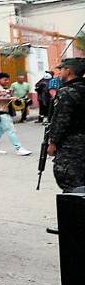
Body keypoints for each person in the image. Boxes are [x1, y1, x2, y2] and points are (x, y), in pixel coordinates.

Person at [46, 58, 85, 192]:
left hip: (72, 145)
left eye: (61, 69)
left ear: (68, 71)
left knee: (70, 182)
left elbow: (60, 120)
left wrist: (53, 142)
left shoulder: (66, 92)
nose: (59, 72)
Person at [0, 72, 31, 156]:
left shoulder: (4, 88)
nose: (7, 81)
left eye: (8, 80)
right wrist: (8, 98)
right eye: (5, 80)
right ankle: (18, 148)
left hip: (5, 111)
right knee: (11, 130)